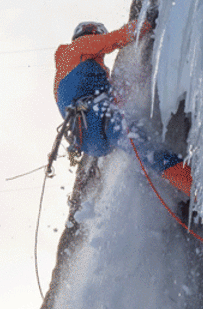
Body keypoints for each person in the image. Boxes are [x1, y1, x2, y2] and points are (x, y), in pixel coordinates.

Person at [54, 20, 192, 195]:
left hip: (89, 139)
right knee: (146, 148)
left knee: (144, 150)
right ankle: (194, 187)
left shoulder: (79, 70)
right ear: (92, 34)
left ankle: (181, 184)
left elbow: (116, 96)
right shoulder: (75, 48)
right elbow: (113, 40)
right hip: (96, 117)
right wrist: (144, 22)